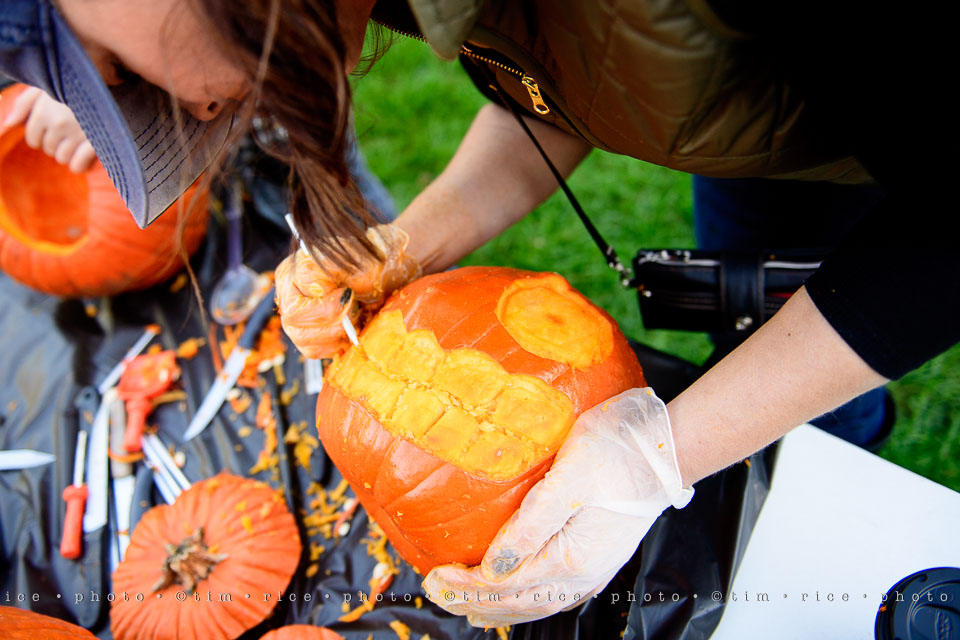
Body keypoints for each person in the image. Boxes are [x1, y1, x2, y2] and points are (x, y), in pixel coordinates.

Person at [1, 0, 953, 629]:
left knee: (820, 435)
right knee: (752, 268)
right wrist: (419, 236)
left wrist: (665, 452)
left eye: (110, 72)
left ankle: (847, 457)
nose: (195, 110)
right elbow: (582, 75)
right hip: (764, 119)